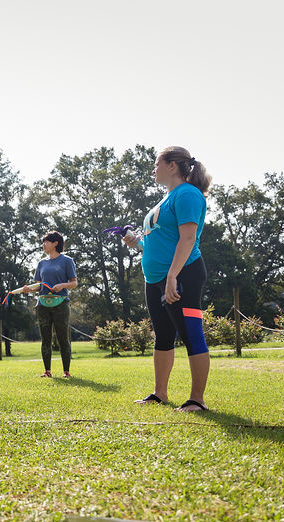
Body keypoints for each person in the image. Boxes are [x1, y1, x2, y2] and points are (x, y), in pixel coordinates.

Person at [122, 146, 212, 412]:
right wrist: (137, 243)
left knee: (191, 334)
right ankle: (160, 393)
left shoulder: (187, 195)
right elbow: (158, 243)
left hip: (183, 274)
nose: (153, 169)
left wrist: (173, 276)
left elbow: (188, 239)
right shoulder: (167, 199)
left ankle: (197, 400)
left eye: (156, 163)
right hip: (156, 278)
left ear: (172, 165)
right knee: (163, 336)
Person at [25, 231, 77, 378]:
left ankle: (66, 371)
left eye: (46, 242)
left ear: (55, 243)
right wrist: (29, 289)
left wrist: (62, 285)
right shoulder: (42, 263)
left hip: (61, 304)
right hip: (42, 305)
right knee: (45, 339)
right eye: (43, 242)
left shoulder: (67, 261)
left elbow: (74, 283)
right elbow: (39, 286)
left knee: (62, 339)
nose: (44, 245)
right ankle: (47, 371)